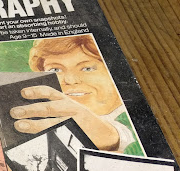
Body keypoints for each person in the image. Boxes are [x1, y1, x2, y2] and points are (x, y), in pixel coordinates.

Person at [10, 35, 141, 153]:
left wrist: (111, 139)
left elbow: (131, 138)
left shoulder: (134, 112)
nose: (70, 80)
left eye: (87, 68)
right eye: (55, 69)